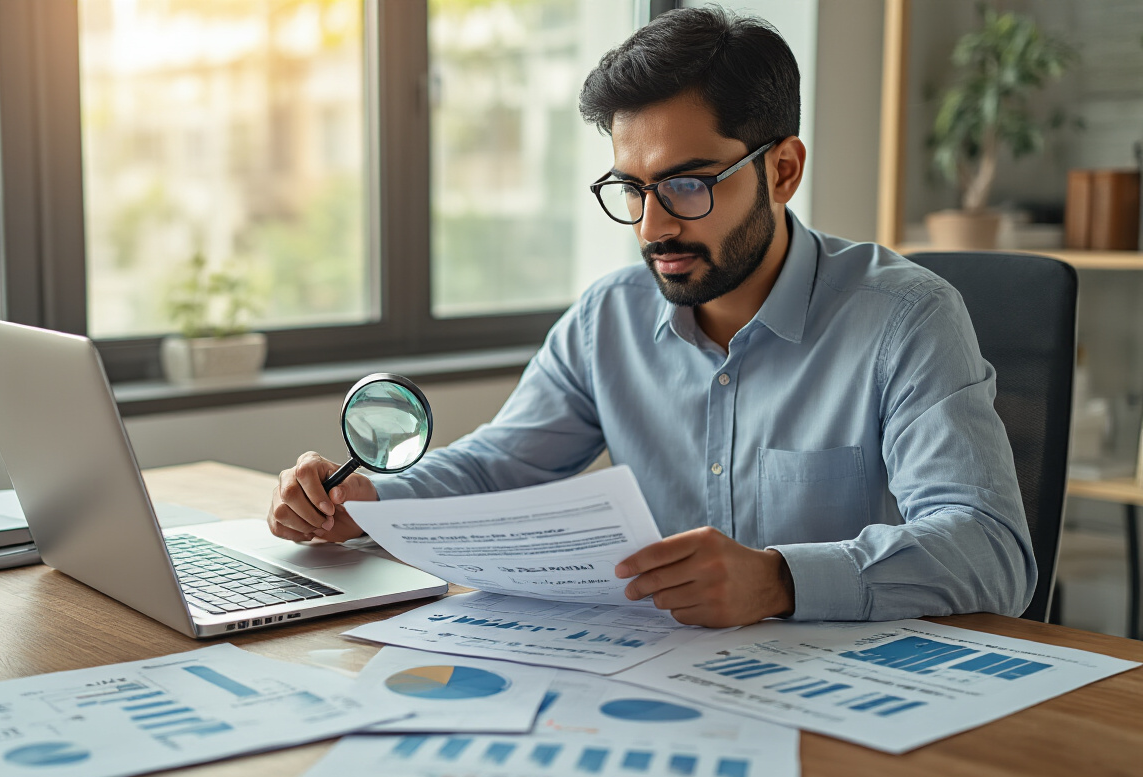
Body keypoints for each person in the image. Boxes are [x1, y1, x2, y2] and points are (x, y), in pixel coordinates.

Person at [267, 6, 1035, 628]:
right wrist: (371, 505)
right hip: (664, 687)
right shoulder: (609, 318)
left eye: (687, 185)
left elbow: (991, 550)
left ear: (783, 170)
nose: (651, 227)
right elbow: (498, 465)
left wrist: (778, 581)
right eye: (631, 188)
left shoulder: (907, 318)